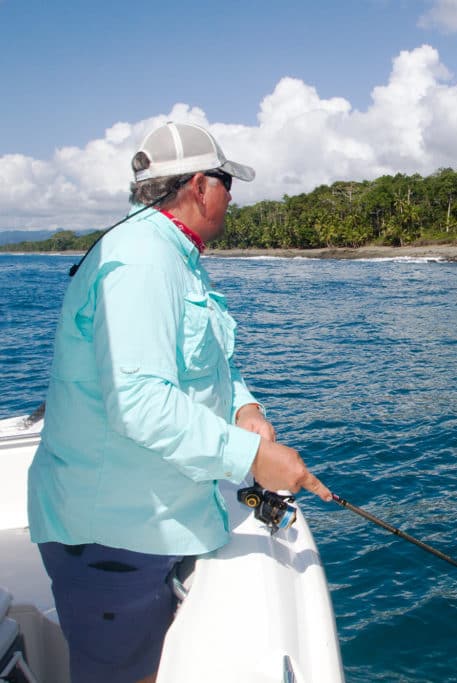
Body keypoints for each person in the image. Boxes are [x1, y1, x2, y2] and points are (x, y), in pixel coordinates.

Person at [27, 121, 332, 683]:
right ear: (198, 186)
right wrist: (251, 457)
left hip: (153, 522)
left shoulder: (172, 254)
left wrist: (244, 407)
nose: (230, 196)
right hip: (112, 538)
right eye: (225, 183)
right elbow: (139, 402)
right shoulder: (143, 262)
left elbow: (208, 362)